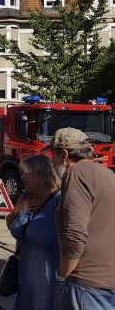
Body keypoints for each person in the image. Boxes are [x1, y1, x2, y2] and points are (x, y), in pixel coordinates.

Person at [41, 128, 115, 309]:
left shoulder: (76, 174)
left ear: (64, 154)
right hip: (107, 281)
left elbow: (75, 234)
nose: (51, 161)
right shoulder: (107, 174)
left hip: (86, 284)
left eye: (53, 155)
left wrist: (62, 276)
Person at [4, 154, 61, 310]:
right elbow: (10, 225)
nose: (22, 177)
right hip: (25, 276)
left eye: (26, 173)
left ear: (41, 176)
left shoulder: (59, 201)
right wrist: (17, 209)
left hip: (47, 279)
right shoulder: (26, 195)